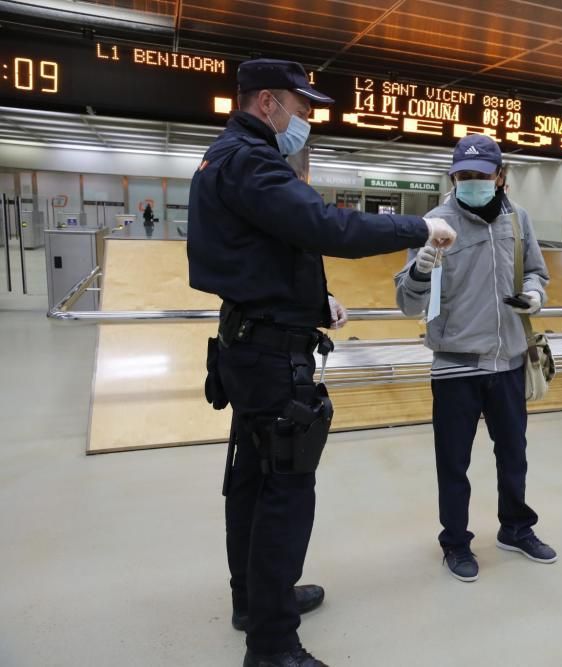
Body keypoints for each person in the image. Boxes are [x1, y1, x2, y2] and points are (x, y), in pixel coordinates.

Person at [187, 58, 456, 667]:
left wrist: (311, 299)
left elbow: (262, 249)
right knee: (285, 488)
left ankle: (255, 602)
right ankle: (273, 645)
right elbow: (324, 225)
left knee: (253, 480)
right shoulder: (251, 161)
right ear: (266, 104)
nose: (305, 118)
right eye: (300, 106)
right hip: (268, 356)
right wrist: (420, 226)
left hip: (248, 337)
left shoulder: (223, 157)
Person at [394, 134, 556, 583]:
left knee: (514, 455)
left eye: (481, 176)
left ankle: (516, 528)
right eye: (464, 176)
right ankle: (456, 542)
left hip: (508, 363)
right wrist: (421, 268)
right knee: (453, 461)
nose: (472, 183)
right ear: (453, 178)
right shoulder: (434, 223)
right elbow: (408, 303)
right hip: (455, 365)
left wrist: (536, 294)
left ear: (500, 177)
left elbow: (536, 271)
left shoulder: (518, 221)